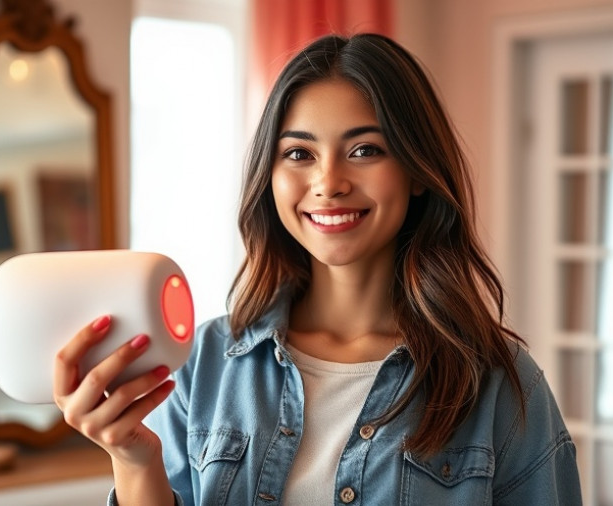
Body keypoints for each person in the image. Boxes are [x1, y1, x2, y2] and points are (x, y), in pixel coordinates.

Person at [53, 33, 582, 505]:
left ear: (417, 171)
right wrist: (133, 458)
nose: (329, 182)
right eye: (300, 154)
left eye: (365, 149)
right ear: (271, 174)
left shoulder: (500, 384)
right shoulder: (205, 365)